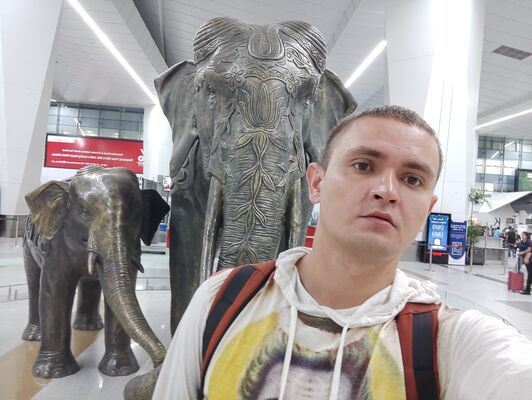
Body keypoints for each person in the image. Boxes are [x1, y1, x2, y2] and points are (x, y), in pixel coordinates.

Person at [153, 106, 532, 399]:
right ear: (316, 183)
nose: (387, 190)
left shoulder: (448, 341)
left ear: (427, 208)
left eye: (412, 179)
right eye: (363, 165)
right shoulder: (222, 298)